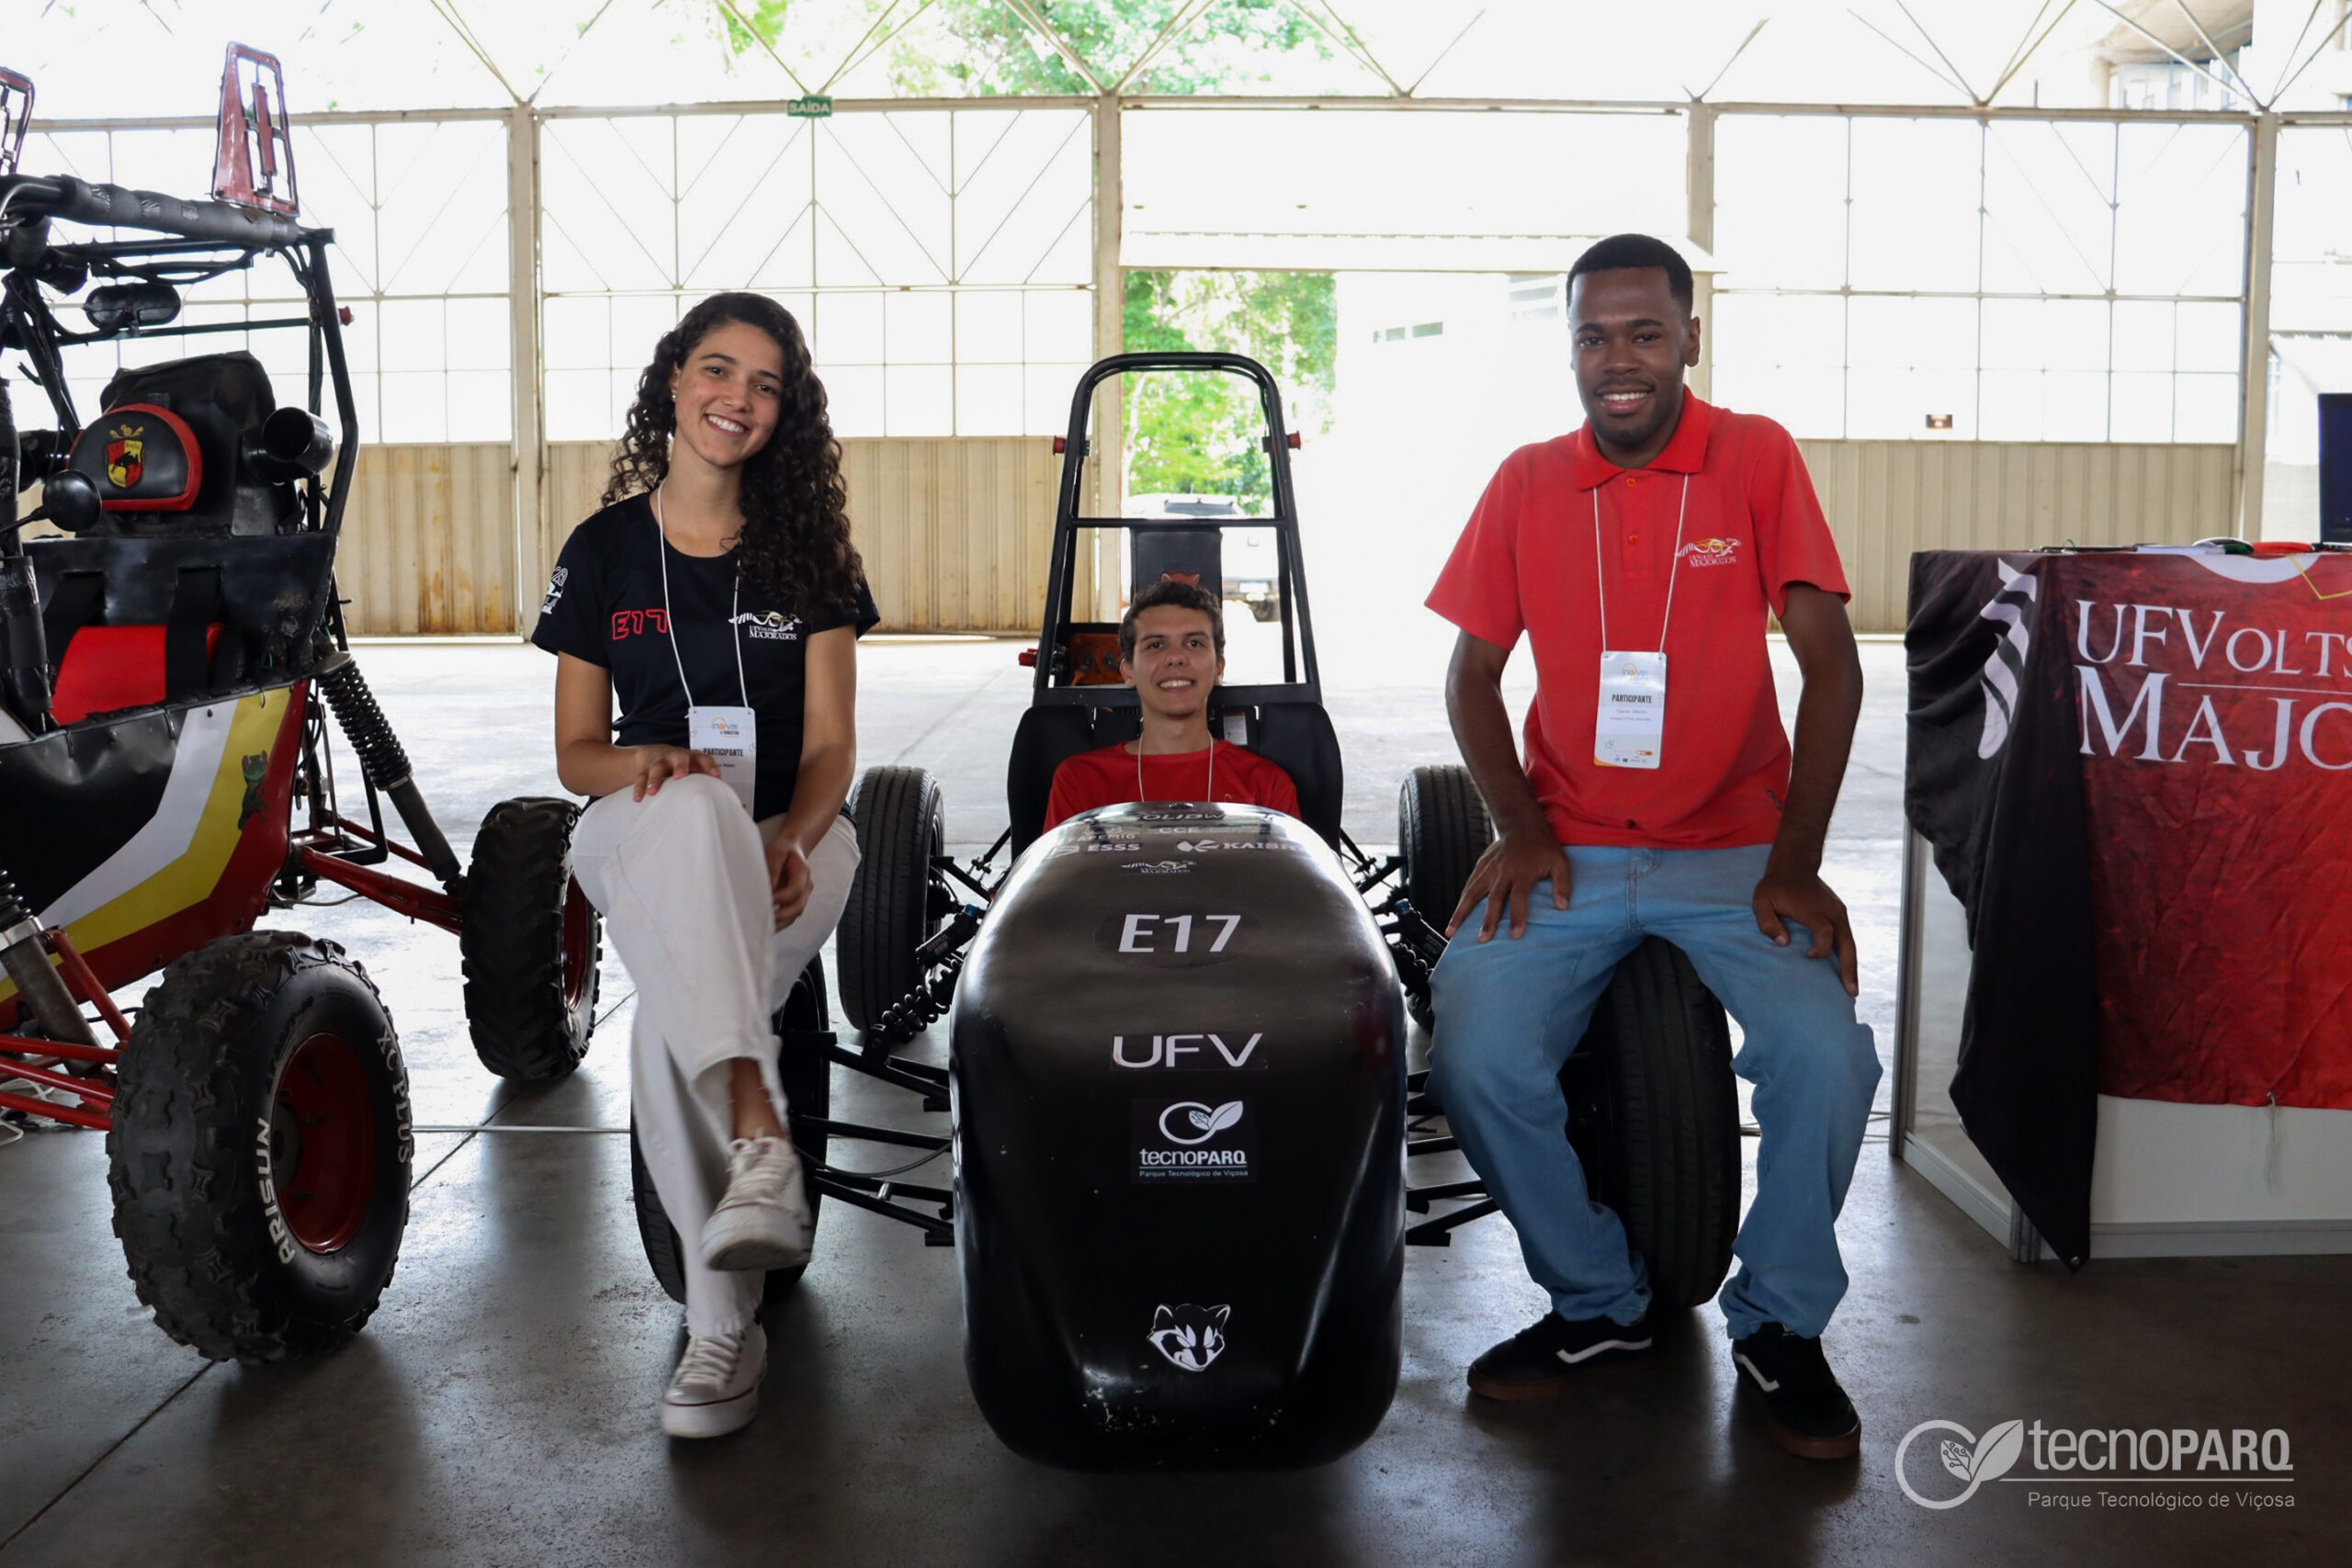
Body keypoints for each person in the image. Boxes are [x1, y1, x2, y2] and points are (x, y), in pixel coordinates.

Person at [1424, 234, 1880, 1461]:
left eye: (1644, 333)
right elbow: (1470, 675)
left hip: (1735, 850)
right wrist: (1520, 828)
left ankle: (1779, 1321)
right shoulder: (1527, 481)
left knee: (1825, 1057)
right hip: (1569, 846)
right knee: (1473, 1051)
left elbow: (1832, 668)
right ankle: (1598, 1299)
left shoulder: (1754, 455)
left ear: (1689, 339)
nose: (1617, 359)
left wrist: (1796, 860)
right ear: (1568, 346)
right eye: (1592, 335)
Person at [529, 291, 877, 1440]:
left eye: (766, 384)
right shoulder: (603, 551)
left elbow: (831, 747)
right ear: (675, 380)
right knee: (687, 807)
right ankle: (757, 1127)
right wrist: (649, 761)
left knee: (658, 1032)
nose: (738, 398)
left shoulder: (810, 555)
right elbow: (576, 753)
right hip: (639, 822)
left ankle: (723, 1326)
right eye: (719, 370)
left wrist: (795, 836)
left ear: (785, 413)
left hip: (787, 841)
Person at [1042, 579, 1300, 829]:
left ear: (1218, 668)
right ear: (1128, 671)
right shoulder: (1080, 781)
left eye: (1194, 643)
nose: (1176, 657)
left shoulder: (1266, 785)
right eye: (1156, 645)